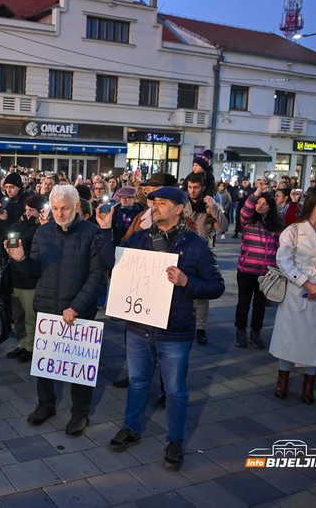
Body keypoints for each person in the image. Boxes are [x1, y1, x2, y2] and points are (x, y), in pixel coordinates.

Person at [98, 186, 225, 471]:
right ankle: (131, 427)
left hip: (175, 331)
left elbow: (217, 286)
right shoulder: (140, 238)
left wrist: (186, 282)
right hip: (139, 327)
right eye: (153, 202)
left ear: (179, 208)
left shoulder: (195, 244)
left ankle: (175, 440)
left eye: (162, 203)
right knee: (138, 382)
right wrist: (106, 230)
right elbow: (111, 265)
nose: (155, 207)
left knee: (176, 390)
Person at [5, 185, 105, 437]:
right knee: (45, 365)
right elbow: (35, 271)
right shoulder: (42, 232)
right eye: (56, 208)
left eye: (66, 208)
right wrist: (21, 260)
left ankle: (80, 413)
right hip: (47, 309)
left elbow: (97, 276)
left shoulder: (92, 233)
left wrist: (76, 306)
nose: (60, 214)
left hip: (78, 313)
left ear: (76, 207)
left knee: (79, 367)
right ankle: (46, 404)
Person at [270, 187, 316, 404]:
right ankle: (282, 377)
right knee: (289, 334)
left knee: (315, 337)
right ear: (312, 204)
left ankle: (309, 382)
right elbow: (283, 259)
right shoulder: (293, 230)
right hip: (297, 288)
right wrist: (305, 282)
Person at [234, 179, 283, 349]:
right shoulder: (247, 221)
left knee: (260, 304)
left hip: (267, 272)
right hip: (247, 269)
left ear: (270, 207)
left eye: (265, 203)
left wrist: (278, 268)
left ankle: (256, 332)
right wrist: (257, 191)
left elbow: (280, 247)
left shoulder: (276, 225)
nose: (260, 205)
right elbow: (246, 208)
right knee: (243, 302)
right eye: (259, 202)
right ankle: (240, 330)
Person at [185, 173, 229, 345]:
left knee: (201, 294)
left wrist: (214, 207)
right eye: (189, 187)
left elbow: (223, 227)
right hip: (183, 250)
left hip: (203, 253)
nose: (192, 191)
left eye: (195, 187)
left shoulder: (210, 205)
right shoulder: (183, 203)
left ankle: (200, 327)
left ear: (203, 188)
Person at [5, 194, 45, 364]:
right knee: (19, 315)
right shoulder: (19, 223)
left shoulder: (41, 228)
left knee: (31, 317)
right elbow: (10, 233)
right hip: (15, 276)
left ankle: (31, 347)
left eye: (32, 210)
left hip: (30, 279)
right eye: (27, 210)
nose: (28, 213)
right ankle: (22, 343)